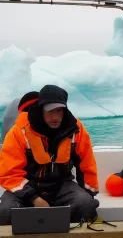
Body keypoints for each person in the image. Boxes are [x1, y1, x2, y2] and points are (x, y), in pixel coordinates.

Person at [0, 84, 99, 225]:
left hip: (62, 186)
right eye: (50, 111)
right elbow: (9, 174)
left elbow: (87, 165)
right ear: (40, 109)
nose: (55, 117)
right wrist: (34, 199)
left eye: (59, 110)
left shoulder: (76, 130)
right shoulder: (19, 132)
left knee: (86, 204)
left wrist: (88, 194)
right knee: (5, 211)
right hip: (28, 188)